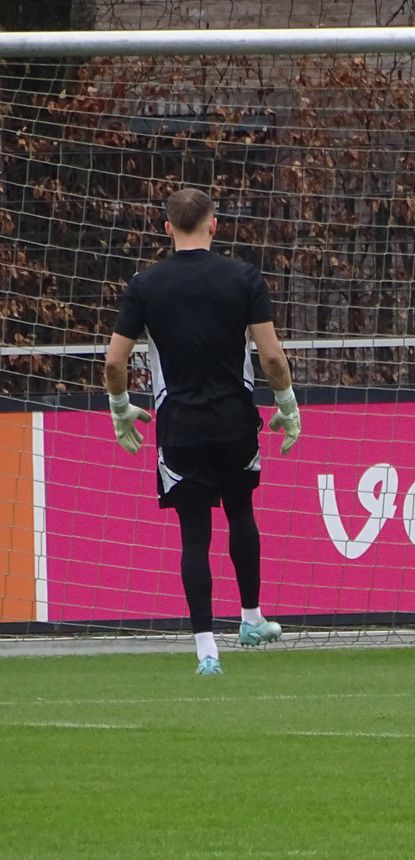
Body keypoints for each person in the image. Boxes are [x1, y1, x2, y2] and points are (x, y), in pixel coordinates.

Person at [102, 187, 300, 676]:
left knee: (194, 534)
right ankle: (251, 619)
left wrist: (120, 407)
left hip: (181, 426)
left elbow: (113, 360)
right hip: (235, 422)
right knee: (241, 512)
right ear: (214, 224)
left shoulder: (145, 285)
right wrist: (287, 404)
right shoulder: (243, 277)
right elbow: (272, 356)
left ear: (167, 228)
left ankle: (206, 651)